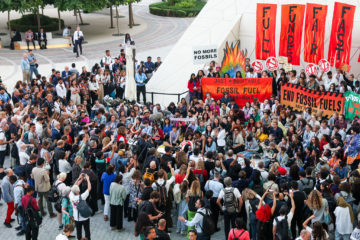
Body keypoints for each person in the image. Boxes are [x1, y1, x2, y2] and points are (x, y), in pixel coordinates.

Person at [69, 174, 92, 240]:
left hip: (77, 218)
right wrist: (87, 179)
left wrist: (79, 178)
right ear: (79, 191)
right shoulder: (82, 197)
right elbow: (89, 188)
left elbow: (74, 186)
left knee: (79, 232)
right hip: (85, 217)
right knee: (87, 231)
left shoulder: (71, 196)